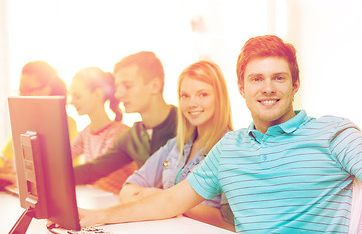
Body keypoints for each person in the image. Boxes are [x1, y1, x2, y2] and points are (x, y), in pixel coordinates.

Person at [78, 35, 362, 234]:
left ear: (295, 84)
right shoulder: (229, 148)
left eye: (279, 77)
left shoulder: (333, 132)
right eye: (256, 79)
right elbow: (168, 201)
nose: (267, 88)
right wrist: (95, 217)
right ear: (241, 88)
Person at [119, 60, 234, 231]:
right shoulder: (175, 146)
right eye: (185, 96)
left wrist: (166, 201)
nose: (192, 103)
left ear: (220, 98)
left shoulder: (232, 149)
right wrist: (159, 201)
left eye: (203, 94)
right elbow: (128, 189)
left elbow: (230, 224)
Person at [74, 51, 177, 185]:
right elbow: (94, 169)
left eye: (127, 86)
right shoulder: (133, 137)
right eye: (117, 87)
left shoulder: (188, 125)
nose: (118, 94)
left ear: (155, 86)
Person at [0, 61, 77, 187]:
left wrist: (18, 171)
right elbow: (4, 157)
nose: (22, 96)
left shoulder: (66, 124)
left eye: (27, 90)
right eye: (20, 91)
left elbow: (58, 169)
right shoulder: (23, 124)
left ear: (46, 90)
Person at [69, 67, 136, 194]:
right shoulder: (86, 133)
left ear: (98, 95)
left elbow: (98, 172)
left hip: (118, 202)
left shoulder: (119, 133)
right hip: (96, 199)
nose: (71, 101)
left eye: (77, 96)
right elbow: (65, 157)